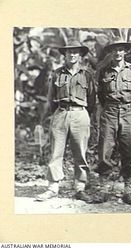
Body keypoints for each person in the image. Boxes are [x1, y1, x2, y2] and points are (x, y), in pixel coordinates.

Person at [35, 39, 96, 202]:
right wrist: (57, 114)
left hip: (80, 114)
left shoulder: (87, 75)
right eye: (69, 52)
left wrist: (83, 114)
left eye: (75, 51)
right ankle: (52, 188)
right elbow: (50, 98)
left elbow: (92, 99)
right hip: (60, 113)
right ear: (65, 55)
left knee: (80, 153)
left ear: (80, 54)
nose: (72, 54)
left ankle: (80, 188)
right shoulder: (57, 73)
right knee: (56, 152)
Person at [95, 38, 131, 205]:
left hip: (128, 111)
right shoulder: (103, 71)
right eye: (114, 50)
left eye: (121, 49)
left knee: (128, 151)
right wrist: (108, 108)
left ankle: (128, 190)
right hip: (110, 111)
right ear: (110, 52)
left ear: (125, 51)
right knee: (105, 150)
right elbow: (100, 94)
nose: (118, 52)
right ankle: (103, 190)